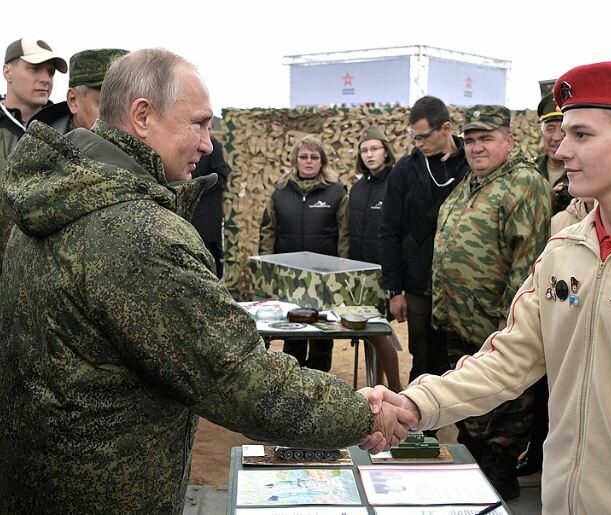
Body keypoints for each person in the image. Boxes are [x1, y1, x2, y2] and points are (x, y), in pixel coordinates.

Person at [0, 48, 413, 515]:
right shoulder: (138, 235)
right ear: (142, 116)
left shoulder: (54, 198)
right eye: (198, 123)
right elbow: (241, 380)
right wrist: (362, 412)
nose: (208, 143)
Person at [369, 61, 611, 514]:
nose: (561, 153)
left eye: (582, 135)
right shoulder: (564, 251)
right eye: (563, 135)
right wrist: (413, 404)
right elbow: (506, 361)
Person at [432, 105, 551, 499]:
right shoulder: (472, 182)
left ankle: (496, 493)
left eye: (486, 139)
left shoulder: (523, 183)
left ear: (509, 140)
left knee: (500, 430)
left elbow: (527, 260)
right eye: (470, 140)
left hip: (497, 330)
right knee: (471, 419)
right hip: (461, 325)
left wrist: (510, 322)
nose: (476, 147)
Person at [379, 96, 470, 381]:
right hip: (419, 286)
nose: (417, 143)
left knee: (463, 361)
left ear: (445, 128)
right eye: (412, 136)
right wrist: (394, 290)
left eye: (423, 136)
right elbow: (389, 231)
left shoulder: (473, 164)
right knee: (423, 358)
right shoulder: (404, 171)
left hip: (462, 287)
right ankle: (423, 424)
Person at [259, 134, 348, 372]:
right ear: (295, 160)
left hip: (324, 277)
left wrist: (342, 273)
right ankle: (294, 379)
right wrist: (267, 272)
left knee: (321, 332)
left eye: (314, 157)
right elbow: (268, 232)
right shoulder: (280, 192)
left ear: (322, 161)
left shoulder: (336, 192)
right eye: (303, 157)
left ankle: (320, 377)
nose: (308, 161)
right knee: (293, 331)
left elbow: (344, 234)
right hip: (290, 277)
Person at [0, 38, 67, 274]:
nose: (45, 79)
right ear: (7, 70)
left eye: (50, 72)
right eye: (34, 69)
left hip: (44, 275)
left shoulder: (67, 129)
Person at [348, 126, 403, 391]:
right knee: (371, 335)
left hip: (387, 273)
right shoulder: (357, 189)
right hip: (361, 275)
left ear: (385, 150)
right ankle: (377, 385)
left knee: (381, 334)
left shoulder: (396, 183)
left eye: (374, 149)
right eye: (364, 150)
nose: (370, 155)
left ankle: (395, 388)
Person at [33, 48, 129, 133]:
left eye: (126, 105)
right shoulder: (40, 149)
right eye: (106, 106)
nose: (119, 116)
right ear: (73, 100)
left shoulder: (140, 145)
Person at [191, 136, 229, 278]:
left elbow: (221, 176)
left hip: (207, 214)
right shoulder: (181, 142)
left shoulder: (213, 146)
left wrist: (196, 188)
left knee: (211, 256)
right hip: (187, 215)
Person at [535, 93, 571, 213]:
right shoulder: (530, 172)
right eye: (550, 129)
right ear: (541, 133)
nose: (556, 137)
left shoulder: (585, 172)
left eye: (562, 130)